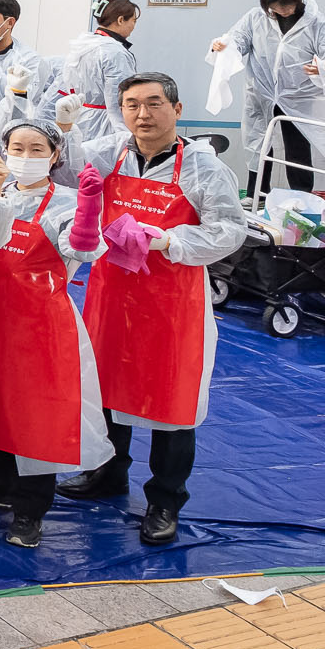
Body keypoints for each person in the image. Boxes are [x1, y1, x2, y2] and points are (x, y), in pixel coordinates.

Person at [59, 72, 247, 545]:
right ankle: (108, 472)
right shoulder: (109, 154)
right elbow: (62, 175)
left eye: (154, 103)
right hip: (111, 294)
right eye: (132, 105)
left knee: (171, 401)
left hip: (173, 302)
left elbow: (230, 230)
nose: (143, 114)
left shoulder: (203, 167)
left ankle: (165, 499)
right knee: (106, 387)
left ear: (177, 110)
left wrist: (170, 240)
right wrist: (62, 130)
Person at [0, 120, 109, 548]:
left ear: (55, 155)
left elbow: (80, 250)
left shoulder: (66, 202)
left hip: (40, 323)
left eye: (36, 147)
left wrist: (90, 207)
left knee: (37, 415)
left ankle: (30, 509)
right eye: (16, 146)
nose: (24, 155)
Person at [210, 0, 325, 196]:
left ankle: (302, 195)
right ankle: (256, 193)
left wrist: (322, 67)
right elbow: (239, 40)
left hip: (298, 95)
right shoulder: (257, 16)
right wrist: (225, 46)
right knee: (258, 144)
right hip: (261, 91)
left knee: (297, 147)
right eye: (275, 9)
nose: (281, 12)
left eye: (286, 7)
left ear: (296, 1)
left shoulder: (314, 22)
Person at [36, 0, 141, 144]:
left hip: (75, 121)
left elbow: (58, 90)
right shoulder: (116, 53)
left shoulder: (81, 46)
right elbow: (119, 101)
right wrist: (128, 136)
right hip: (105, 127)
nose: (134, 27)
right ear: (121, 20)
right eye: (133, 21)